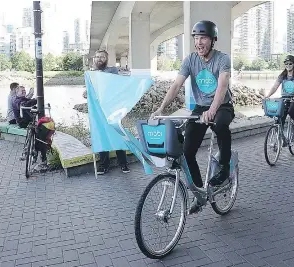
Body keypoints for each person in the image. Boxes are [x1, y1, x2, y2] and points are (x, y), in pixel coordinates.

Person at [150, 20, 234, 214]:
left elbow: (222, 87)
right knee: (187, 152)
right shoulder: (190, 60)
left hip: (222, 105)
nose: (199, 42)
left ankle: (224, 168)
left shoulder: (223, 59)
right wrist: (161, 109)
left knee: (221, 125)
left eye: (203, 38)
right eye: (196, 38)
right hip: (199, 107)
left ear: (213, 40)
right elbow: (176, 85)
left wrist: (213, 109)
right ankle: (199, 192)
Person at [91, 50, 130, 175]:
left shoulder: (112, 71)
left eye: (102, 57)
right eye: (97, 57)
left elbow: (113, 85)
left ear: (106, 59)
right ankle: (104, 165)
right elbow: (91, 90)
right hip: (99, 111)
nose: (99, 59)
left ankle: (123, 164)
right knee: (102, 136)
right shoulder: (91, 74)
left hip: (113, 109)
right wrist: (87, 93)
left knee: (117, 134)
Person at [264, 55, 294, 146]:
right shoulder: (282, 76)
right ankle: (283, 139)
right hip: (284, 99)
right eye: (286, 63)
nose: (288, 65)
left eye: (290, 63)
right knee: (279, 119)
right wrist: (268, 96)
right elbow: (275, 87)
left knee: (291, 111)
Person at [12, 86, 48, 171]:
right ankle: (41, 155)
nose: (24, 92)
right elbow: (23, 105)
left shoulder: (23, 99)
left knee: (36, 128)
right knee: (40, 131)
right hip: (23, 122)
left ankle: (31, 148)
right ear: (17, 93)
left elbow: (28, 103)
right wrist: (36, 100)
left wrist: (35, 103)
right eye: (22, 91)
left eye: (24, 90)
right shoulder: (17, 100)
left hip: (26, 120)